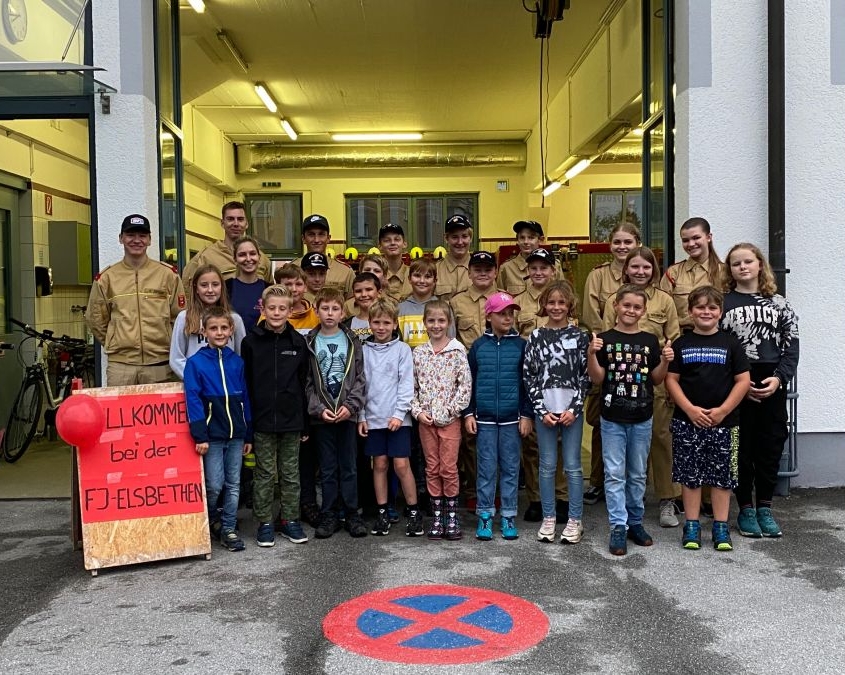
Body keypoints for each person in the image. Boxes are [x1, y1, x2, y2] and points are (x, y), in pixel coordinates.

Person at [719, 243, 799, 539]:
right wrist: (737, 383)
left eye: (747, 261)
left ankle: (765, 506)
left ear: (759, 264)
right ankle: (745, 509)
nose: (742, 267)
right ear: (729, 270)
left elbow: (792, 348)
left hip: (771, 381)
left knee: (770, 446)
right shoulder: (723, 303)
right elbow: (719, 346)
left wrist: (779, 379)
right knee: (740, 448)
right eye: (735, 263)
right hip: (737, 380)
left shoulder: (781, 304)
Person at [587, 285, 674, 556]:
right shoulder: (604, 339)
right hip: (612, 417)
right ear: (616, 306)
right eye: (627, 305)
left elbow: (657, 379)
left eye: (637, 307)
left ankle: (635, 521)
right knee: (614, 474)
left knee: (637, 474)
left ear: (644, 311)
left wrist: (666, 361)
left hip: (642, 416)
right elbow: (598, 379)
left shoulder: (650, 341)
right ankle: (618, 525)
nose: (631, 311)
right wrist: (591, 353)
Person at [665, 286, 750, 551]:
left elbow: (743, 380)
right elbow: (671, 379)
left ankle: (721, 526)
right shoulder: (681, 344)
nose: (706, 312)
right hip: (687, 421)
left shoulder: (731, 344)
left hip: (724, 423)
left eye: (712, 307)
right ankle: (692, 524)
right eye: (700, 307)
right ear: (690, 312)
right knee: (690, 477)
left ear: (720, 313)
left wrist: (723, 410)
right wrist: (690, 409)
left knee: (722, 477)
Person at [602, 246, 682, 528]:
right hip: (621, 385)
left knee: (661, 441)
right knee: (620, 450)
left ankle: (667, 500)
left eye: (646, 267)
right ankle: (620, 507)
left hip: (655, 383)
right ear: (626, 269)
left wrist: (672, 383)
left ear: (654, 270)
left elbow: (673, 342)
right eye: (635, 266)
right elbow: (605, 343)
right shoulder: (615, 300)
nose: (640, 271)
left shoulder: (665, 301)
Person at [241, 285, 310, 548]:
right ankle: (265, 522)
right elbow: (245, 384)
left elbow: (304, 383)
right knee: (265, 473)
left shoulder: (298, 342)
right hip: (262, 420)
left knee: (291, 473)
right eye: (272, 308)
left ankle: (290, 519)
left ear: (290, 310)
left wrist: (304, 422)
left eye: (282, 308)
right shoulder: (251, 342)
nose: (277, 313)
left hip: (291, 420)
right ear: (263, 309)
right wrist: (248, 423)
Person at [523, 281, 590, 545]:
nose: (556, 307)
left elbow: (586, 377)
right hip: (546, 410)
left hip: (572, 410)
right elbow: (529, 376)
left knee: (573, 466)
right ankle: (548, 516)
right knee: (547, 465)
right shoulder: (536, 337)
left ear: (569, 305)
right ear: (543, 305)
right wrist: (541, 410)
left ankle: (575, 519)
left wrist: (575, 408)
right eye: (551, 302)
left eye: (561, 302)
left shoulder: (580, 336)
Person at [582, 222, 642, 507]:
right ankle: (598, 480)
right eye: (617, 242)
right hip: (606, 354)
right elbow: (591, 317)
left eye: (628, 242)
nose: (622, 247)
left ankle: (633, 484)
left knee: (637, 421)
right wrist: (609, 345)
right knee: (599, 420)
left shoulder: (643, 273)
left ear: (637, 244)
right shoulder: (598, 277)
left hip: (637, 359)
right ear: (610, 245)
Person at [85, 214, 185, 386]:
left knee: (158, 413)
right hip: (121, 367)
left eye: (142, 235)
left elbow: (181, 317)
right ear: (121, 238)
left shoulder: (168, 275)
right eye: (131, 235)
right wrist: (114, 339)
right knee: (119, 413)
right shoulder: (107, 278)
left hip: (161, 363)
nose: (136, 240)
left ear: (150, 240)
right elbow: (95, 319)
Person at [464, 292, 533, 541]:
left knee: (511, 468)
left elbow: (528, 384)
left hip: (512, 418)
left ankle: (508, 514)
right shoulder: (479, 346)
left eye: (510, 313)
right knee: (485, 467)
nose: (507, 318)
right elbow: (468, 381)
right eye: (502, 313)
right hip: (483, 419)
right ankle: (485, 515)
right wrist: (468, 413)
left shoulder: (521, 346)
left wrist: (526, 414)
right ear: (489, 316)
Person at [184, 306, 253, 552]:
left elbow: (245, 397)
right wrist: (200, 434)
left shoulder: (237, 362)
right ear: (204, 331)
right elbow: (192, 399)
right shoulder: (195, 363)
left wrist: (248, 432)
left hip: (236, 434)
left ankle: (229, 527)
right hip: (211, 436)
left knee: (234, 483)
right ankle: (212, 517)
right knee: (214, 484)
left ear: (231, 330)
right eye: (214, 328)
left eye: (224, 328)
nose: (219, 332)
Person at [305, 287, 368, 539]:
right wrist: (318, 410)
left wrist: (350, 406)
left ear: (343, 312)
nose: (330, 313)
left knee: (349, 466)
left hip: (347, 414)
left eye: (335, 309)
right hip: (322, 417)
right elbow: (307, 382)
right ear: (317, 310)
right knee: (328, 468)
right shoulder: (310, 341)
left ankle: (352, 512)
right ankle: (329, 512)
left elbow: (360, 378)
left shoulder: (352, 340)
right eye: (325, 308)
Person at [358, 298, 424, 537]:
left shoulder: (402, 350)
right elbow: (361, 385)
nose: (381, 327)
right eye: (376, 322)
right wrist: (361, 416)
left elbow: (406, 384)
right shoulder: (363, 350)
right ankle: (383, 511)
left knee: (401, 464)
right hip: (373, 418)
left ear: (395, 324)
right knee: (380, 464)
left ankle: (413, 512)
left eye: (386, 322)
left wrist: (399, 414)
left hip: (398, 419)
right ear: (369, 323)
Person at [514, 247, 570, 523]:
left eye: (544, 268)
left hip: (559, 381)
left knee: (559, 442)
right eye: (533, 268)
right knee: (533, 443)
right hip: (530, 378)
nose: (538, 272)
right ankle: (536, 498)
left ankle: (560, 497)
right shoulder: (517, 302)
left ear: (552, 270)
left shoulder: (563, 297)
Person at [411, 300, 472, 540]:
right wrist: (418, 412)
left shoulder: (457, 351)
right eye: (432, 321)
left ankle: (451, 515)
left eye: (441, 321)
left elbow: (464, 387)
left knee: (448, 468)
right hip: (426, 421)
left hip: (450, 420)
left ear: (449, 323)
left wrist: (450, 412)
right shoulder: (419, 353)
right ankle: (436, 515)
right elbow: (412, 387)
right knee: (432, 467)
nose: (436, 325)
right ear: (425, 322)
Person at [169, 264, 246, 380]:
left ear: (222, 287)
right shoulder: (184, 317)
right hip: (197, 385)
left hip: (226, 384)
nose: (210, 290)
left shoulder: (235, 319)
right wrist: (195, 378)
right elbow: (176, 359)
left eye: (215, 285)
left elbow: (241, 356)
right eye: (204, 285)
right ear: (196, 289)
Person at [182, 201, 273, 289]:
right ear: (222, 223)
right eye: (230, 219)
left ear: (247, 224)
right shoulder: (206, 257)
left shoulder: (262, 259)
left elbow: (270, 293)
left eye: (240, 219)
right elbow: (188, 290)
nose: (236, 224)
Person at [660, 217, 724, 331]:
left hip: (716, 338)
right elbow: (662, 310)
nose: (691, 244)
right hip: (681, 338)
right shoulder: (673, 273)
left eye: (696, 238)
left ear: (708, 237)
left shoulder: (724, 272)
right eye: (685, 240)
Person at [292, 214, 354, 296]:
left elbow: (351, 305)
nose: (316, 240)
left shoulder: (345, 272)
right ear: (303, 238)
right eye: (311, 234)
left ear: (328, 238)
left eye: (321, 234)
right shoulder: (292, 269)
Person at [497, 220, 563, 297]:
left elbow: (562, 293)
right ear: (517, 240)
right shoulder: (506, 268)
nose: (526, 241)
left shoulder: (554, 265)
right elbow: (501, 298)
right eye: (522, 237)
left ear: (541, 240)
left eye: (531, 237)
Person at [225, 236, 270, 332]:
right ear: (235, 259)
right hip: (233, 345)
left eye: (252, 253)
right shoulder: (226, 288)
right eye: (242, 255)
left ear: (259, 257)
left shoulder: (269, 289)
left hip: (262, 345)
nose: (248, 258)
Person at [398, 258, 442, 348]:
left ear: (435, 281)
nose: (422, 281)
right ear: (409, 279)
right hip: (406, 361)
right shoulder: (399, 309)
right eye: (417, 276)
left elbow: (450, 340)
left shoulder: (443, 308)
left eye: (427, 276)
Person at [435, 214, 473, 301]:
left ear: (470, 238)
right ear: (446, 239)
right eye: (454, 237)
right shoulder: (435, 270)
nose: (460, 242)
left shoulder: (482, 270)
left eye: (464, 236)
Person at [275, 265, 319, 337]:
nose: (294, 289)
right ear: (278, 287)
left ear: (305, 287)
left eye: (298, 284)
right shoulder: (269, 315)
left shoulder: (316, 315)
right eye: (288, 284)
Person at [377, 223, 413, 301]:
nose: (392, 243)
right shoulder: (375, 277)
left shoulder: (415, 276)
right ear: (379, 246)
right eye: (387, 240)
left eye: (397, 239)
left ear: (404, 244)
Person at [342, 272, 381, 342]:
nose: (363, 294)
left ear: (379, 292)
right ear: (353, 294)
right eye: (358, 291)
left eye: (368, 289)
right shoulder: (346, 325)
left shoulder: (388, 323)